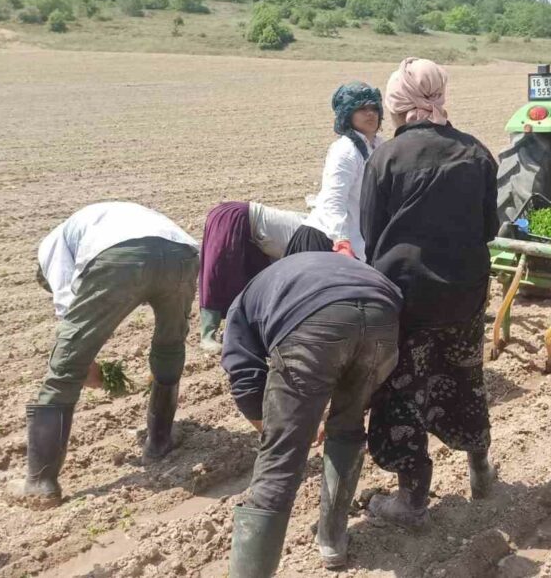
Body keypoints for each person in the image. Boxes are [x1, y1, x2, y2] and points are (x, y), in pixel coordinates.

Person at [360, 57, 500, 529]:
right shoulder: (478, 154)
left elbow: (370, 232)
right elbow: (488, 228)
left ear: (397, 103)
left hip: (405, 299)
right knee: (465, 376)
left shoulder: (385, 158)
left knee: (401, 391)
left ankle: (412, 498)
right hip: (464, 293)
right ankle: (480, 471)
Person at [8, 201, 199, 508]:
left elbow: (68, 307)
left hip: (124, 255)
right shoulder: (99, 220)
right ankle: (159, 443)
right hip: (182, 253)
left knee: (64, 371)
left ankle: (39, 483)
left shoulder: (51, 247)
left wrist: (87, 363)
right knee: (170, 345)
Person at [220, 252, 402, 575]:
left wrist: (281, 427)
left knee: (281, 459)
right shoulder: (295, 273)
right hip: (383, 317)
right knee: (348, 424)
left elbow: (246, 380)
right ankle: (332, 541)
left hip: (315, 321)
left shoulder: (243, 302)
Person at [285, 81, 385, 259]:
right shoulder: (345, 150)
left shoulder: (379, 146)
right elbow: (334, 200)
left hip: (357, 243)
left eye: (374, 108)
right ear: (348, 114)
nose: (370, 113)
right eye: (362, 108)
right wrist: (342, 242)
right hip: (326, 242)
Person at [197, 201, 306, 354]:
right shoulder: (318, 239)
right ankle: (207, 335)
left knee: (250, 284)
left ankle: (236, 333)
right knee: (220, 273)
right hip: (235, 218)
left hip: (258, 238)